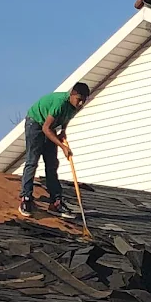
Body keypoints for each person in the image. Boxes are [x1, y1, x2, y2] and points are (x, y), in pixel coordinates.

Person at [18, 81, 92, 216]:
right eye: (79, 100)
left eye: (83, 101)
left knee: (52, 164)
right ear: (72, 94)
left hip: (49, 127)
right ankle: (26, 198)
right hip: (36, 122)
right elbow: (46, 128)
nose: (80, 104)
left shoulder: (76, 105)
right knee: (32, 161)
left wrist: (63, 130)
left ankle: (55, 202)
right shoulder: (59, 103)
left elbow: (67, 117)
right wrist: (62, 146)